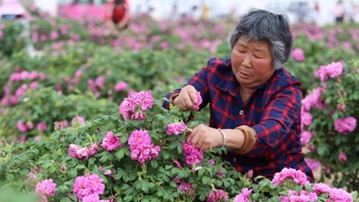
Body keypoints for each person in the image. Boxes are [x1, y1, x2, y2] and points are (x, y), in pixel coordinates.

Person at [163, 9, 314, 182]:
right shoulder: (216, 72)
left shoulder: (286, 88)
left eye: (257, 55)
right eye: (241, 50)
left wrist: (221, 137)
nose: (245, 62)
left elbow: (270, 133)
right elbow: (166, 106)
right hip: (224, 180)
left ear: (276, 59)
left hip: (275, 184)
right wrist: (179, 100)